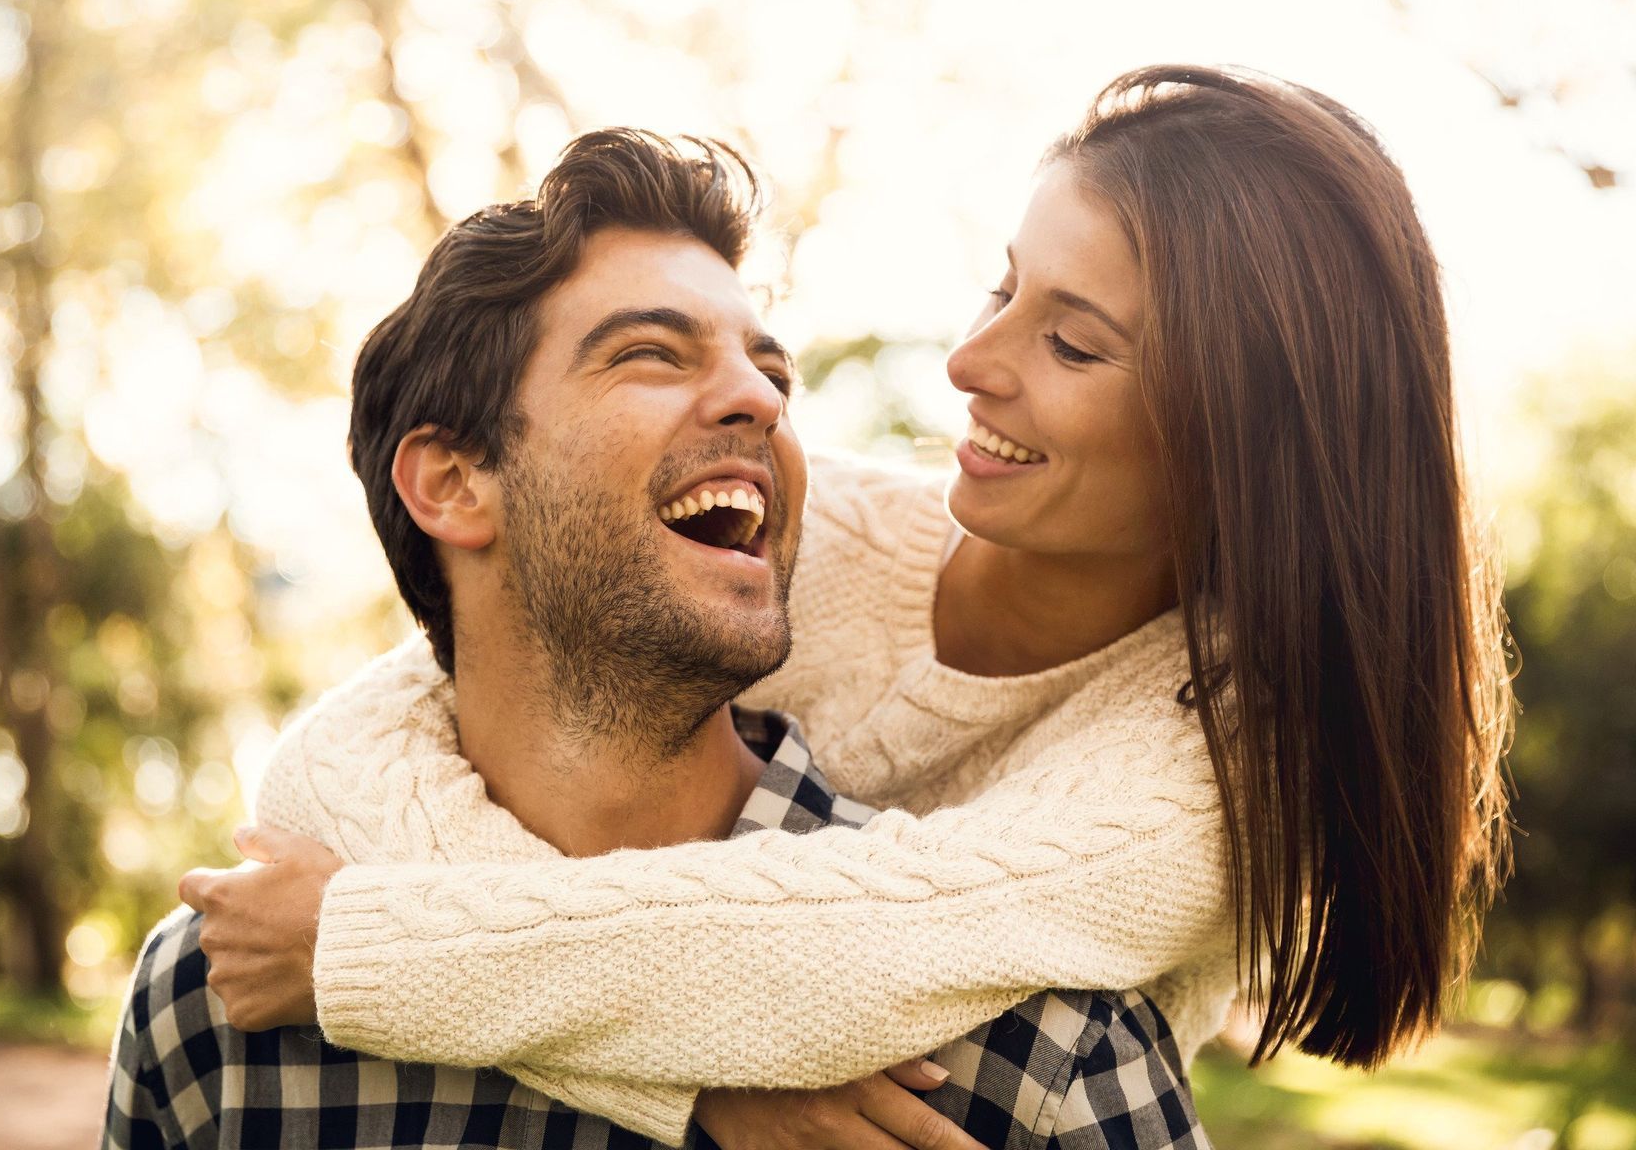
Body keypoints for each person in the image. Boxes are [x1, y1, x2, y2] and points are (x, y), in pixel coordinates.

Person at [184, 67, 1514, 1148]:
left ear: (1234, 448)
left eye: (1072, 341)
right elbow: (367, 736)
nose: (968, 362)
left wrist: (361, 951)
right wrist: (687, 1083)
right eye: (1004, 288)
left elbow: (846, 962)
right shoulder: (796, 537)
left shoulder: (1207, 773)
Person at [114, 128, 1208, 1150]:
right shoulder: (217, 1011)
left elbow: (927, 926)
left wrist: (365, 952)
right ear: (452, 481)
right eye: (650, 353)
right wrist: (686, 1078)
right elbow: (342, 742)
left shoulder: (1035, 1059)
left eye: (773, 372)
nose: (764, 401)